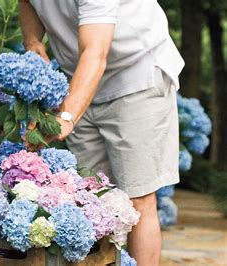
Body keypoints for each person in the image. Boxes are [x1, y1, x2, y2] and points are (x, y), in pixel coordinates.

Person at [19, 0, 184, 265]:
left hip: (135, 75)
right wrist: (32, 41)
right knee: (91, 197)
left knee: (138, 197)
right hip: (79, 80)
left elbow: (96, 53)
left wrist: (66, 116)